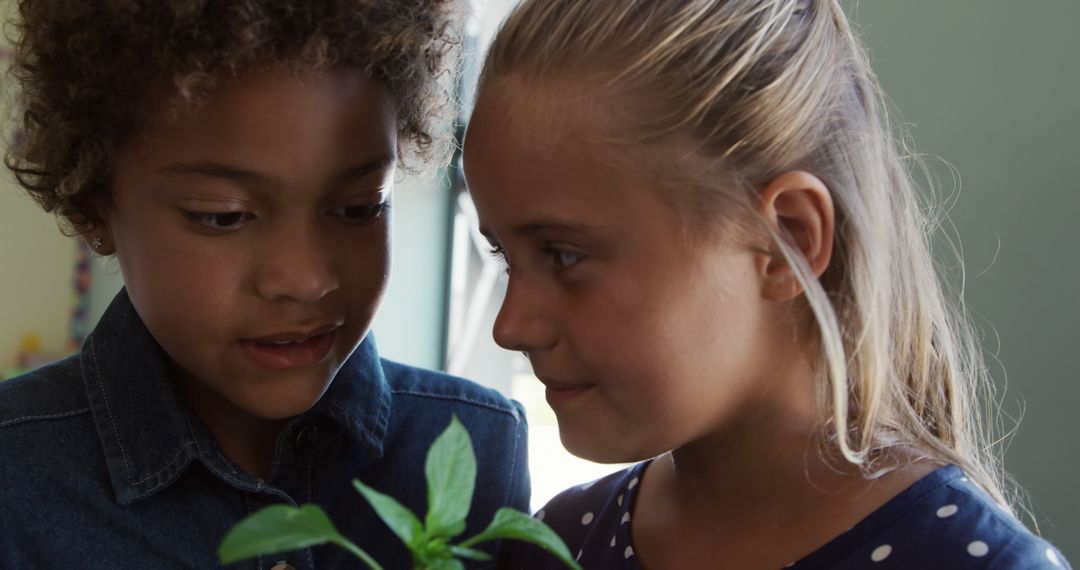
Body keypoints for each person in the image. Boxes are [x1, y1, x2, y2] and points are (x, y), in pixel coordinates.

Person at [462, 0, 1071, 568]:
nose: (509, 326)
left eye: (564, 256)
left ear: (788, 241)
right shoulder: (556, 543)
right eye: (505, 257)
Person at [0, 1, 529, 568]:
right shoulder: (14, 478)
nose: (305, 280)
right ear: (94, 210)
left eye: (357, 208)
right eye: (223, 215)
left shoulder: (480, 446)